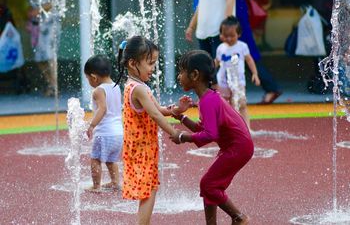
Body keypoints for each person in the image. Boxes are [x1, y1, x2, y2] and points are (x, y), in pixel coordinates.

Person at [170, 50, 253, 225]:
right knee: (210, 185)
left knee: (209, 184)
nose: (179, 76)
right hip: (237, 146)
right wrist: (181, 117)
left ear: (194, 75)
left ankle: (239, 218)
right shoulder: (208, 98)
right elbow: (204, 128)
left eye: (181, 71)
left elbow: (210, 135)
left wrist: (183, 137)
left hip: (237, 148)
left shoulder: (208, 101)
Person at [187, 0, 282, 104]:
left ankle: (266, 88)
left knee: (241, 55)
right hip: (223, 21)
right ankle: (217, 100)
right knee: (237, 55)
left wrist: (227, 26)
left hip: (231, 20)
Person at [116, 36, 189, 225]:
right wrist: (174, 133)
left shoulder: (139, 86)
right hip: (141, 149)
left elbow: (160, 110)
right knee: (148, 191)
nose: (153, 68)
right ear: (133, 63)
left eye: (154, 63)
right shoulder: (137, 89)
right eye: (150, 63)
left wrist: (176, 110)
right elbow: (156, 116)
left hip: (145, 147)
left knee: (150, 188)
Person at [84, 55, 123, 193]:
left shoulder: (98, 90)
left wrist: (92, 125)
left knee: (95, 159)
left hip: (105, 133)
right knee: (111, 160)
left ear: (94, 77)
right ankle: (115, 182)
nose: (89, 81)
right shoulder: (116, 86)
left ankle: (96, 186)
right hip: (118, 133)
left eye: (88, 78)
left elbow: (103, 109)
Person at [216, 16, 260, 129]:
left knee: (242, 103)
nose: (229, 39)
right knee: (226, 105)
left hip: (238, 81)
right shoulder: (221, 48)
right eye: (225, 36)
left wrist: (255, 74)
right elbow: (216, 62)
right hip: (223, 82)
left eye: (232, 36)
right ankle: (229, 127)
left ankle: (247, 128)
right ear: (220, 35)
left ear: (239, 34)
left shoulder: (242, 46)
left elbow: (249, 60)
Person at [22, 0, 56, 96]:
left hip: (49, 25)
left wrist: (38, 10)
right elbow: (33, 4)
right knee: (39, 57)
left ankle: (54, 86)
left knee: (48, 56)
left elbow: (54, 2)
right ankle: (52, 84)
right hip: (36, 25)